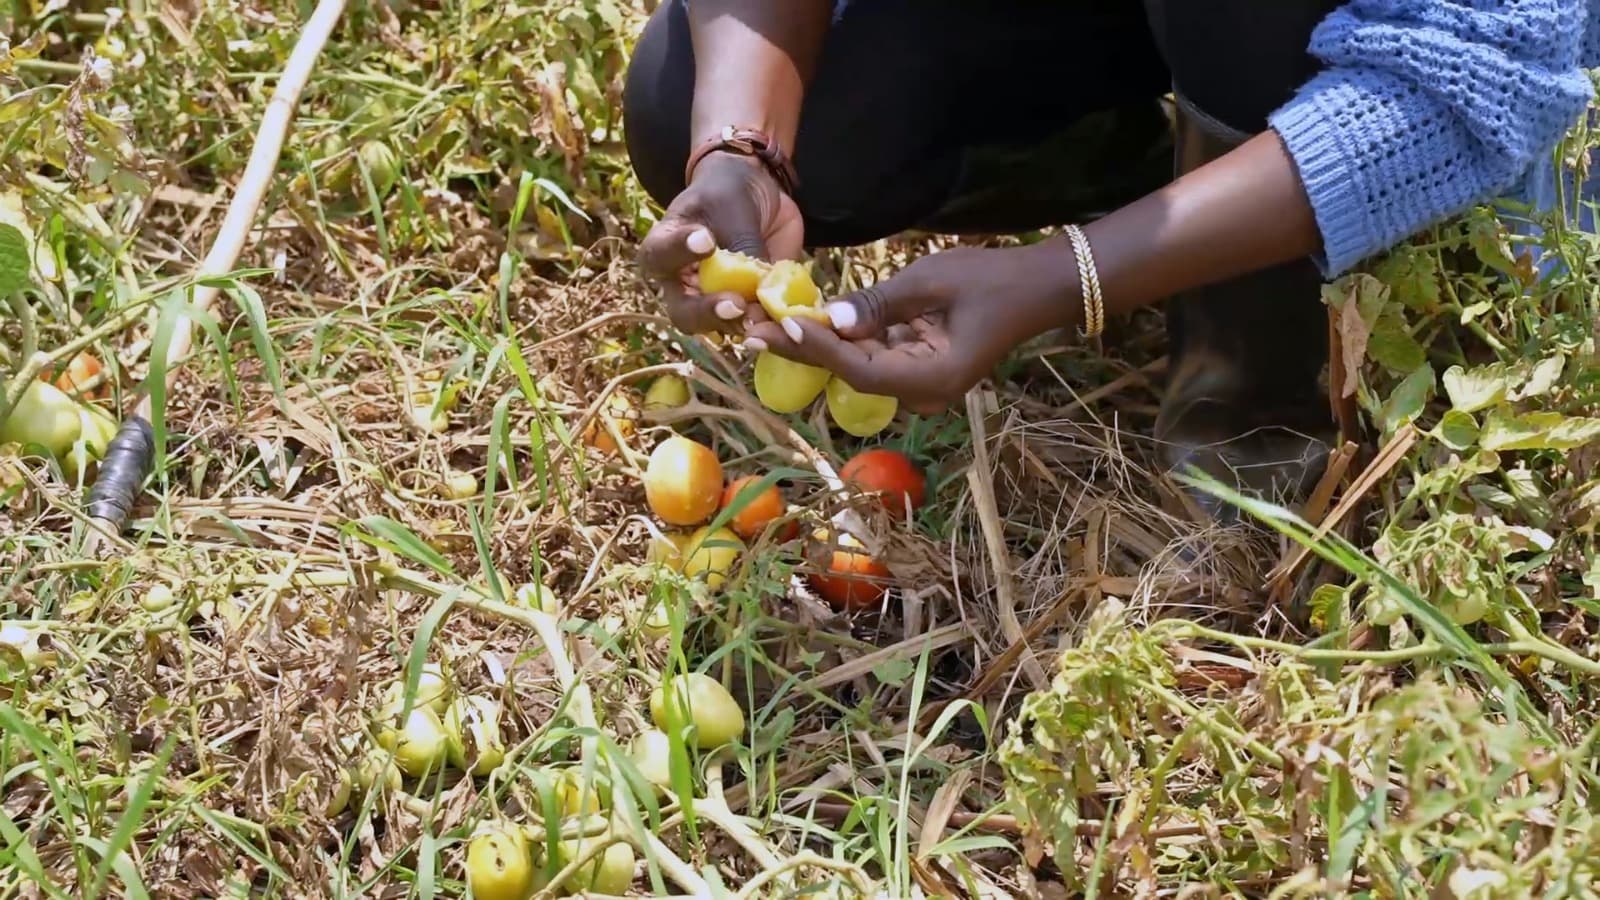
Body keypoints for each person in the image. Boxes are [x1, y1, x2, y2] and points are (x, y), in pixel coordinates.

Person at [623, 0, 1599, 514]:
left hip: (1352, 42)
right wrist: (740, 145)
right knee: (681, 96)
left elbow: (1484, 67)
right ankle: (1142, 164)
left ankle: (1249, 396)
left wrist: (1063, 276)